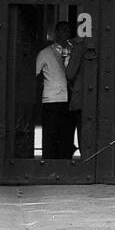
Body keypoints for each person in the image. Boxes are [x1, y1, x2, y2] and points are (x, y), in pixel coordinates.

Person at [36, 21, 79, 159]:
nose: (65, 33)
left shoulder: (75, 51)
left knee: (67, 134)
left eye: (67, 30)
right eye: (62, 30)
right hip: (52, 99)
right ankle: (49, 162)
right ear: (56, 33)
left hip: (70, 99)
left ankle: (65, 161)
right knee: (50, 134)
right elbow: (35, 73)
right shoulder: (45, 53)